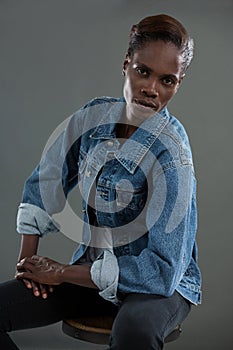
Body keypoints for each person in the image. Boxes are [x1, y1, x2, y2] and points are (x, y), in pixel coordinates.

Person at [0, 14, 202, 350]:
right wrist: (29, 266)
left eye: (167, 80)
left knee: (134, 332)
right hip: (93, 275)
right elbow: (46, 178)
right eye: (143, 72)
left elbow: (162, 271)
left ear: (178, 83)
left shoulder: (173, 154)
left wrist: (61, 273)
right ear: (126, 64)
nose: (152, 89)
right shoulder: (92, 119)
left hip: (158, 287)